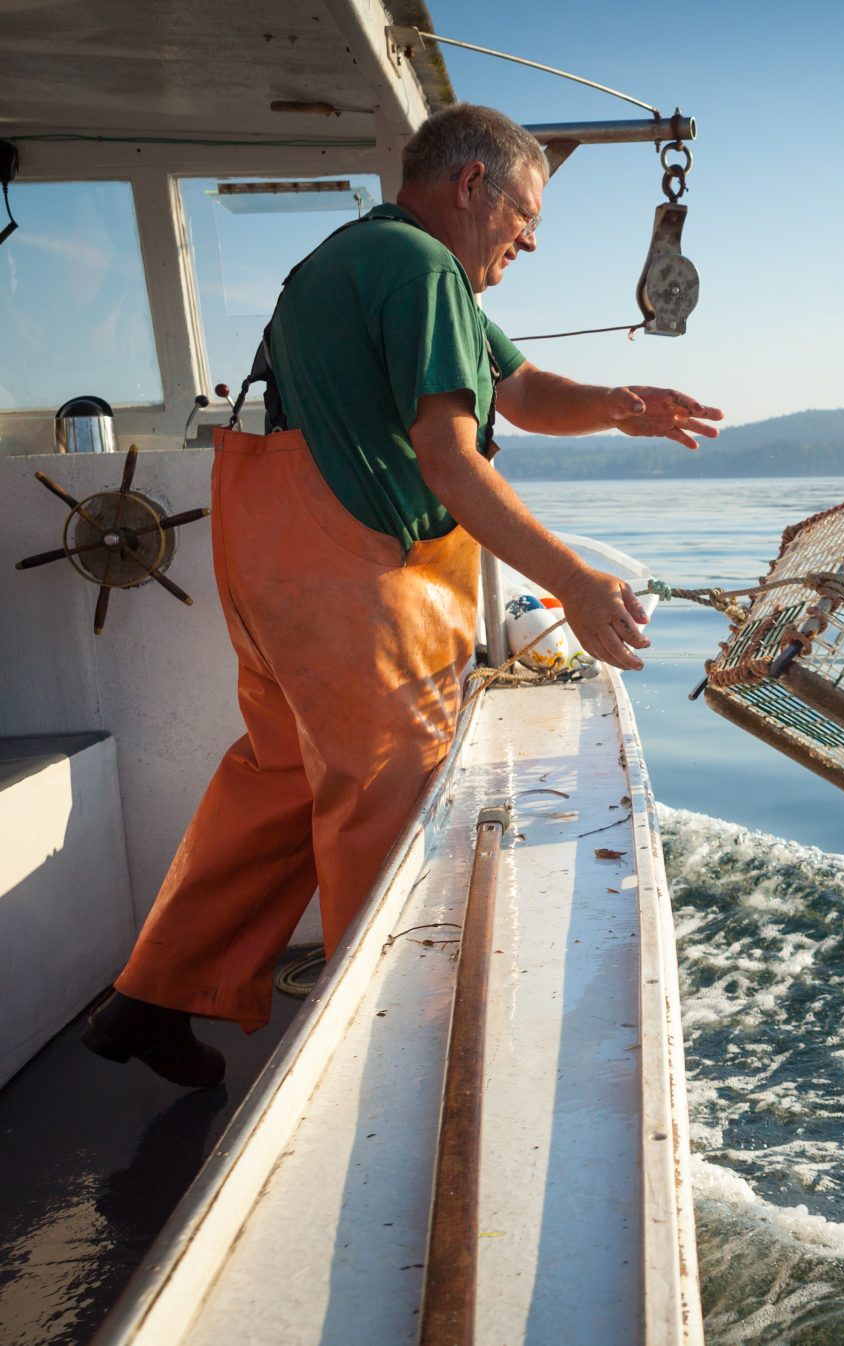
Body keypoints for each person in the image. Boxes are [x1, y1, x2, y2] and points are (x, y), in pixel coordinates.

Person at [82, 104, 722, 1086]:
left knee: (281, 780)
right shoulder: (422, 270)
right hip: (351, 588)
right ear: (471, 185)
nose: (532, 239)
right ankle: (387, 1063)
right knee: (385, 804)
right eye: (524, 212)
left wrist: (615, 408)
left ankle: (156, 994)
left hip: (275, 572)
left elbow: (517, 388)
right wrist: (577, 583)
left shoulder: (377, 264)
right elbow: (450, 459)